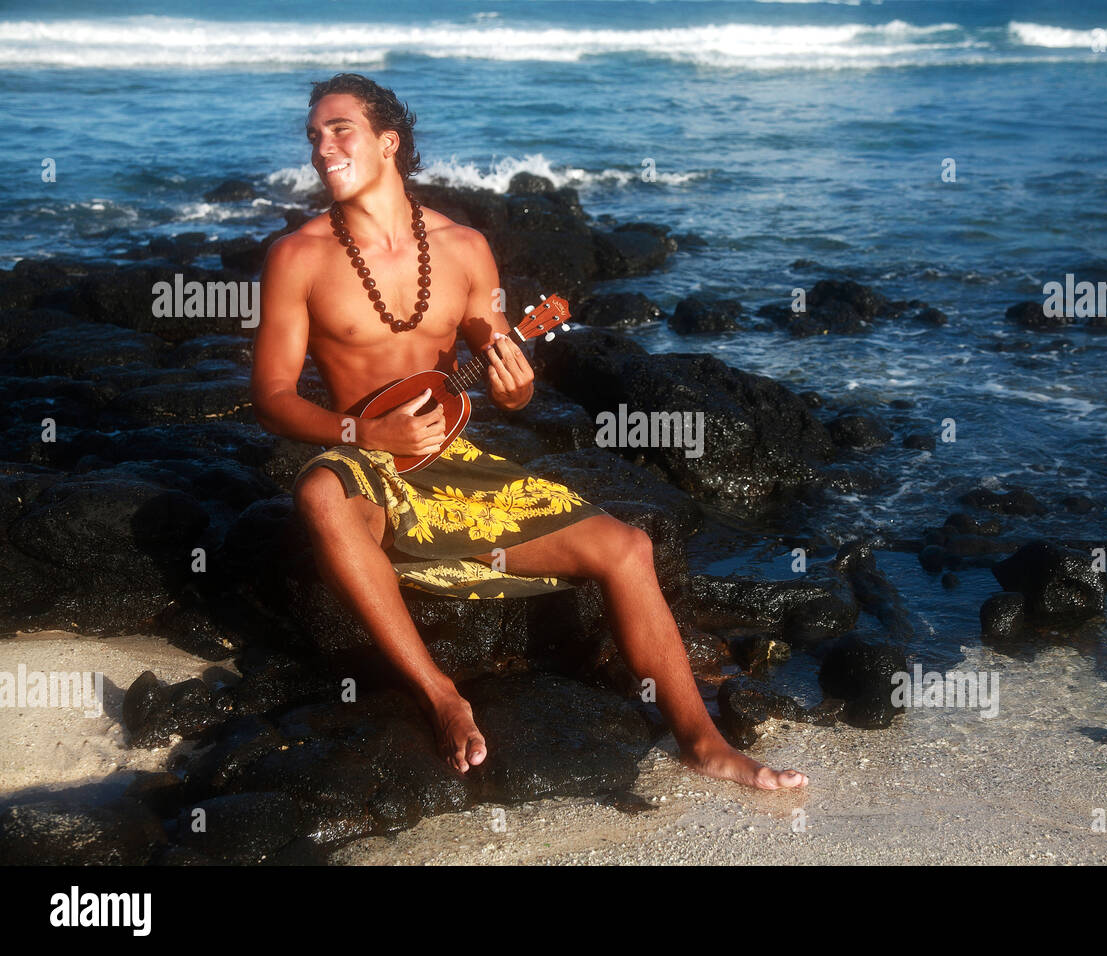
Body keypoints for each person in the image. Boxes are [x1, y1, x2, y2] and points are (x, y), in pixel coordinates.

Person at [250, 72, 805, 791]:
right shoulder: (298, 256)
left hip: (455, 456)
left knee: (628, 545)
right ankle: (442, 694)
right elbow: (269, 397)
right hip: (362, 455)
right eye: (315, 135)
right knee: (321, 496)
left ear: (389, 142)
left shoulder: (465, 250)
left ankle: (702, 740)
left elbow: (506, 368)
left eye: (340, 129)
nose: (323, 147)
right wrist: (362, 431)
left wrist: (517, 388)